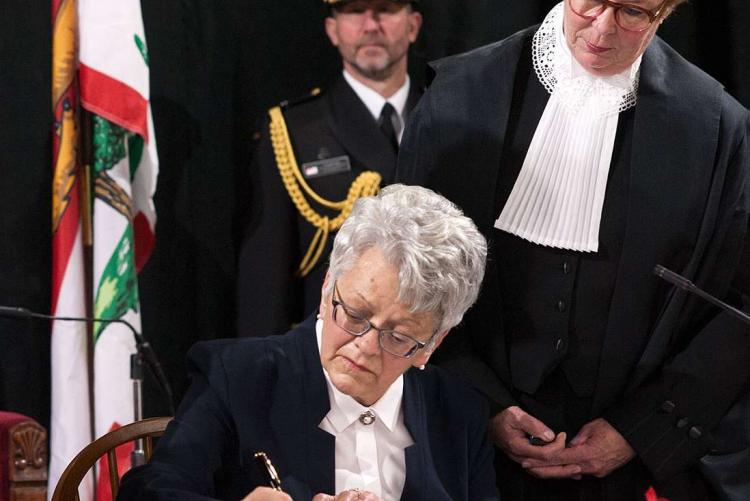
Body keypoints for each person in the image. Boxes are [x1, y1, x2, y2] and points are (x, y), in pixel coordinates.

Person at [397, 0, 750, 500]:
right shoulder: (462, 92)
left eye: (632, 12)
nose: (603, 29)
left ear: (664, 14)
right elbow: (404, 271)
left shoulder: (717, 127)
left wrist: (639, 431)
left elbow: (739, 310)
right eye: (592, 2)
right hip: (464, 449)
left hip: (624, 468)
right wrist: (480, 403)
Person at [118, 184, 497, 501]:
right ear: (327, 287)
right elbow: (149, 491)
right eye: (355, 315)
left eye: (397, 337)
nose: (365, 345)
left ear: (432, 343)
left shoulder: (458, 413)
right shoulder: (238, 376)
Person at [236, 0, 423, 338]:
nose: (371, 25)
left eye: (385, 9)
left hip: (436, 353)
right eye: (354, 11)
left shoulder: (448, 117)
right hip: (336, 351)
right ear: (332, 30)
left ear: (413, 25)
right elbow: (266, 276)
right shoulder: (295, 129)